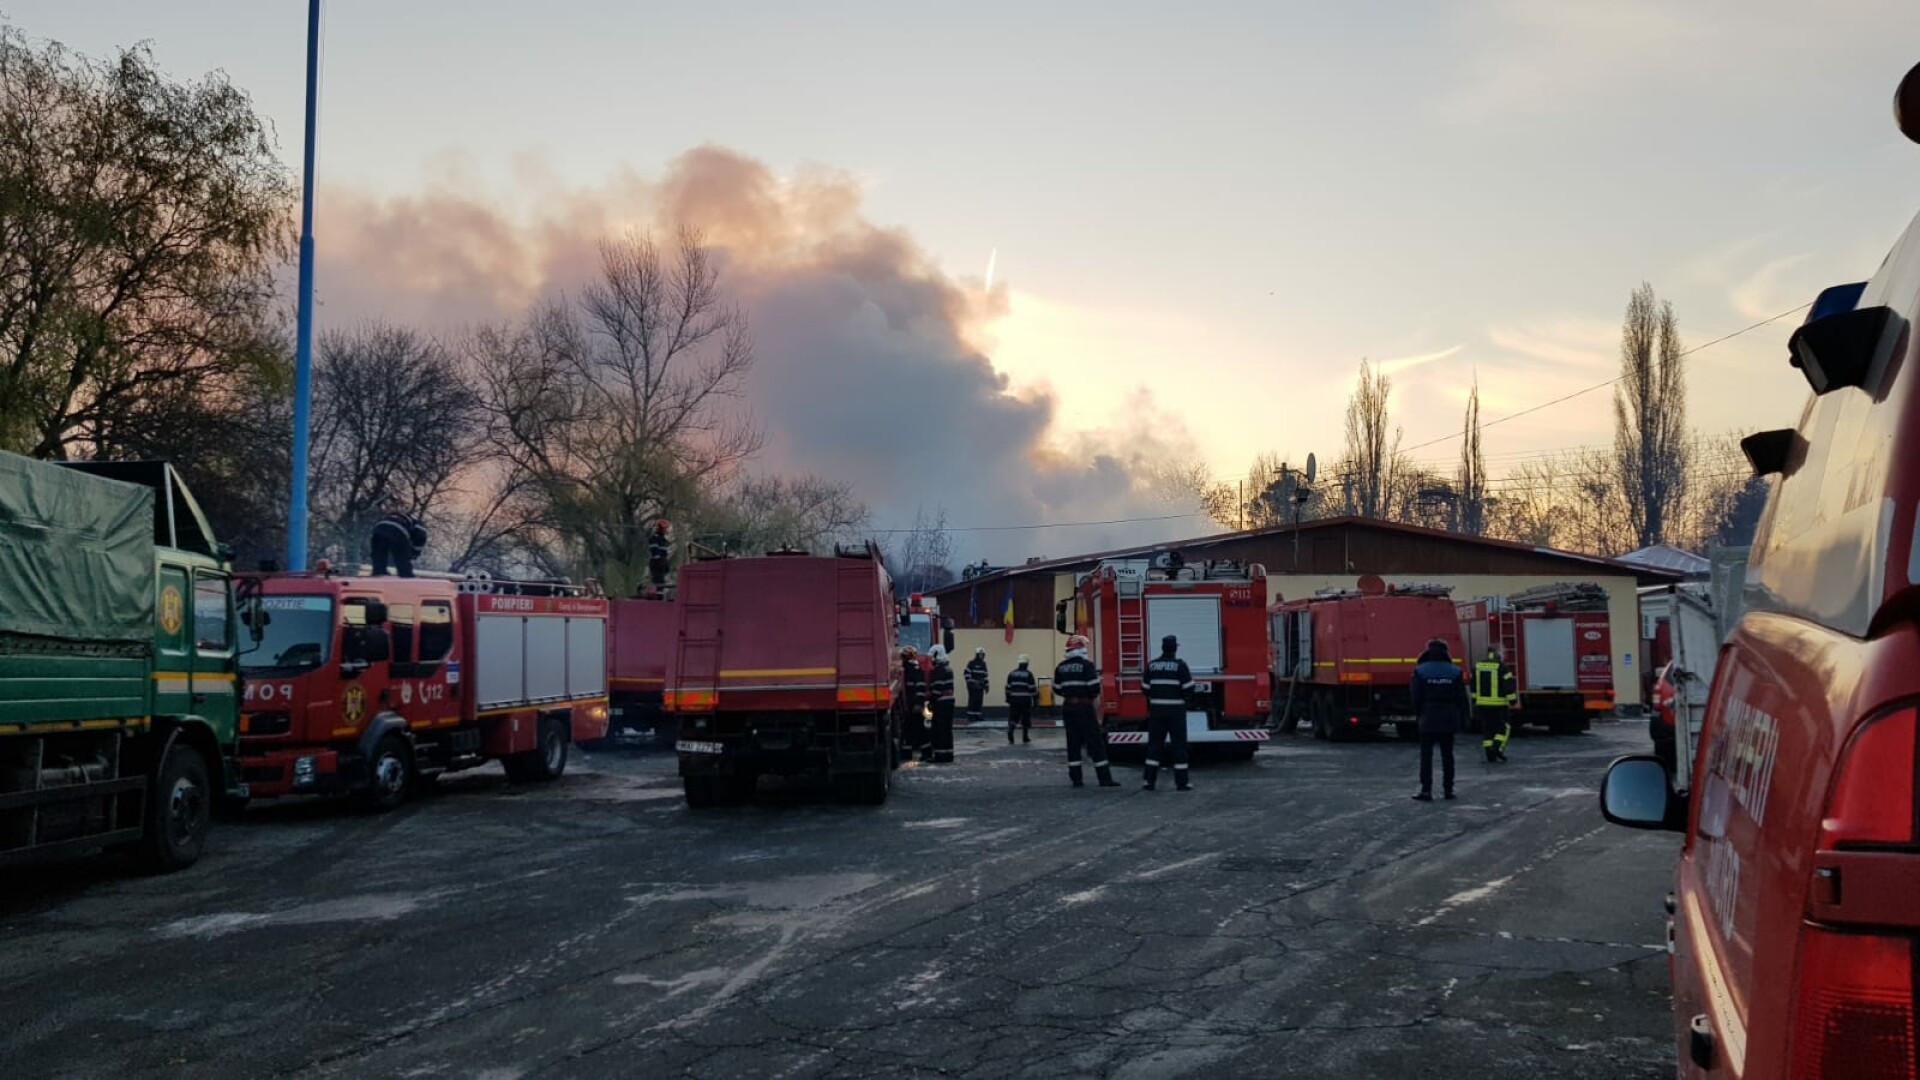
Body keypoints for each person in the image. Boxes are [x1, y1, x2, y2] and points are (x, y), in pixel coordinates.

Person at [1053, 635, 1119, 788]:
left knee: (1073, 743)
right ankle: (1104, 779)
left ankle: (1076, 780)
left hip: (1068, 708)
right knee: (1095, 743)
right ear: (1081, 649)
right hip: (1085, 708)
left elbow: (1057, 689)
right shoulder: (1087, 666)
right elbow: (1094, 688)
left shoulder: (1061, 667)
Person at [1410, 638, 1469, 801]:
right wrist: (1462, 718)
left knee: (1426, 756)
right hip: (1449, 718)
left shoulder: (1421, 671)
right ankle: (1448, 790)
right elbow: (1461, 698)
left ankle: (1426, 790)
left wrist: (1419, 714)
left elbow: (1416, 697)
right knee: (1447, 755)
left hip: (1428, 717)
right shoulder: (1455, 672)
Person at [1142, 635, 1194, 791]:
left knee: (1154, 746)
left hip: (1156, 711)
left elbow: (1145, 688)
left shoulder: (1152, 665)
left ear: (1162, 648)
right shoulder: (1180, 666)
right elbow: (1189, 688)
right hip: (1176, 712)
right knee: (1179, 747)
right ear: (1175, 648)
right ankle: (1182, 783)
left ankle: (1149, 781)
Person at [1473, 647, 1518, 763]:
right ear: (1499, 655)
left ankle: (1489, 753)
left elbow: (1473, 687)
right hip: (1499, 705)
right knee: (1504, 728)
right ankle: (1496, 748)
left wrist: (1474, 702)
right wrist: (1513, 701)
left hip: (1482, 705)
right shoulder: (1502, 667)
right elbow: (1508, 686)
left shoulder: (1477, 666)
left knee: (1488, 729)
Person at [370, 502, 425, 578]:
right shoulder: (418, 525)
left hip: (379, 529)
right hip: (398, 530)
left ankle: (378, 572)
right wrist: (414, 553)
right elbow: (420, 537)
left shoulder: (398, 517)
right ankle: (406, 576)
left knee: (379, 554)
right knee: (401, 557)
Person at [928, 645, 957, 763]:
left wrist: (930, 702)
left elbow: (936, 689)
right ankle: (948, 754)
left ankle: (939, 756)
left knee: (939, 730)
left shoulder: (938, 671)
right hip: (949, 703)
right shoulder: (948, 669)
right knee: (947, 730)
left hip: (941, 704)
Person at [900, 647, 928, 761]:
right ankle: (922, 752)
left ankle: (918, 754)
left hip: (913, 706)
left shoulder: (910, 670)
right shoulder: (915, 670)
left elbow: (919, 690)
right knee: (917, 730)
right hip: (913, 705)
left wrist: (917, 704)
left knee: (913, 730)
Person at [1004, 655, 1038, 745]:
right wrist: (1035, 700)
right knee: (1025, 718)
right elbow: (1032, 688)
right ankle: (1025, 737)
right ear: (1026, 663)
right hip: (1025, 699)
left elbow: (1008, 688)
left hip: (1014, 699)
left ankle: (1011, 729)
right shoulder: (1029, 674)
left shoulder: (1011, 673)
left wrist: (1008, 698)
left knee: (1013, 717)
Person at [964, 647, 989, 725]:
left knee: (979, 701)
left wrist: (986, 686)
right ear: (977, 655)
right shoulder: (971, 663)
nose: (981, 656)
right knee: (972, 700)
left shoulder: (983, 664)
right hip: (973, 686)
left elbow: (985, 675)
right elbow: (966, 674)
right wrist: (971, 683)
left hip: (980, 686)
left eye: (982, 654)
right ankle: (971, 716)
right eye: (980, 654)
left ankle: (978, 715)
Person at [648, 519, 673, 589]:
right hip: (657, 565)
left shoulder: (663, 540)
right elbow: (655, 552)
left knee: (663, 583)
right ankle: (658, 596)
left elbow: (665, 554)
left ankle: (661, 595)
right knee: (658, 584)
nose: (666, 530)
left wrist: (666, 565)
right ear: (660, 529)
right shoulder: (654, 538)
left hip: (662, 564)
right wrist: (660, 562)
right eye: (665, 528)